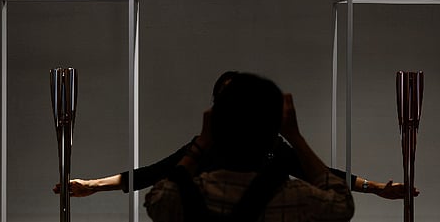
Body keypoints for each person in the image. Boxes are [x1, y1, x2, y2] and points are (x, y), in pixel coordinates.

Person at [54, 72, 417, 200]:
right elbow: (153, 174)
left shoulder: (273, 148)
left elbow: (324, 176)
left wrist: (376, 189)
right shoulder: (206, 148)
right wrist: (94, 185)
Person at [144, 72, 353, 222]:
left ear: (214, 122)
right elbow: (342, 203)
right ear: (274, 130)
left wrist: (202, 142)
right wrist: (295, 136)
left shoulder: (184, 196)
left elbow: (158, 190)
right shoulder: (297, 197)